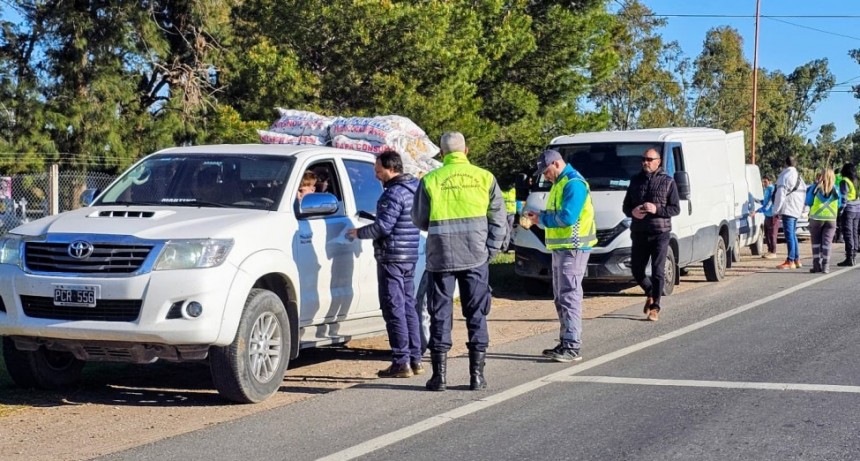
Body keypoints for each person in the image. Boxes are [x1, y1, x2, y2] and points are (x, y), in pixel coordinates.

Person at [412, 131, 506, 392]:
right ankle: (477, 376)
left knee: (440, 314)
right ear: (466, 151)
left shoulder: (430, 180)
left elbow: (420, 220)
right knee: (476, 313)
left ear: (442, 154)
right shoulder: (484, 178)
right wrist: (491, 250)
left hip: (441, 257)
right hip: (476, 256)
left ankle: (439, 377)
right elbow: (499, 219)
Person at [346, 152, 423, 378]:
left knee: (394, 308)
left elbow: (383, 228)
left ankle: (401, 362)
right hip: (409, 255)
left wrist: (358, 233)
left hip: (392, 257)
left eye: (378, 171)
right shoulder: (413, 189)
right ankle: (415, 359)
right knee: (409, 306)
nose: (377, 176)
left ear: (390, 169)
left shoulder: (392, 194)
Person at [524, 149, 597, 362]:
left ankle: (572, 346)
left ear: (556, 164)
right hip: (562, 247)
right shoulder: (560, 183)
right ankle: (566, 341)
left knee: (569, 296)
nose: (544, 176)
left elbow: (568, 217)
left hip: (573, 248)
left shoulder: (573, 183)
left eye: (546, 171)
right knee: (561, 296)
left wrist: (540, 219)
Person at [621, 147, 681, 321]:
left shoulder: (668, 181)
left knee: (657, 270)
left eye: (649, 159)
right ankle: (650, 292)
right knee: (637, 271)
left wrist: (657, 209)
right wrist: (632, 212)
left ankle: (656, 307)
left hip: (660, 232)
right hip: (639, 232)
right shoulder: (635, 180)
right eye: (643, 159)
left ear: (658, 161)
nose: (645, 162)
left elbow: (675, 208)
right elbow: (625, 206)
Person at [772, 156, 807, 270]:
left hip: (789, 208)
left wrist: (776, 210)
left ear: (785, 163)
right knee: (793, 234)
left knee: (789, 235)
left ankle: (790, 260)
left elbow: (780, 194)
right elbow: (803, 194)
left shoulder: (785, 176)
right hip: (796, 208)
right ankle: (796, 259)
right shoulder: (799, 177)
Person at [805, 168, 841, 273]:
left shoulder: (815, 188)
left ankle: (816, 265)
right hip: (831, 219)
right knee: (827, 243)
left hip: (816, 218)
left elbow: (808, 201)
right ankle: (826, 266)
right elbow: (840, 204)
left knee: (816, 242)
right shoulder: (836, 189)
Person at [838, 163, 860, 267]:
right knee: (854, 232)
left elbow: (844, 198)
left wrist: (840, 210)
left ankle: (849, 257)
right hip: (857, 209)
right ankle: (853, 255)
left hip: (848, 209)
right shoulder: (856, 181)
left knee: (848, 233)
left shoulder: (844, 181)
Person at [754, 175, 779, 258]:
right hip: (767, 215)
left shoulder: (772, 189)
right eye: (763, 181)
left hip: (772, 215)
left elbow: (769, 203)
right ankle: (769, 250)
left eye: (765, 181)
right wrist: (755, 200)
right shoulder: (766, 190)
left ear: (770, 181)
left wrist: (757, 211)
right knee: (767, 234)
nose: (763, 183)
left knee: (772, 234)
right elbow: (764, 202)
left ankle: (773, 252)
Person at [500, 184, 517, 253]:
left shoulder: (514, 191)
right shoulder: (500, 192)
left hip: (511, 214)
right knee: (506, 231)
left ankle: (506, 247)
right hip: (503, 214)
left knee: (509, 231)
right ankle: (505, 247)